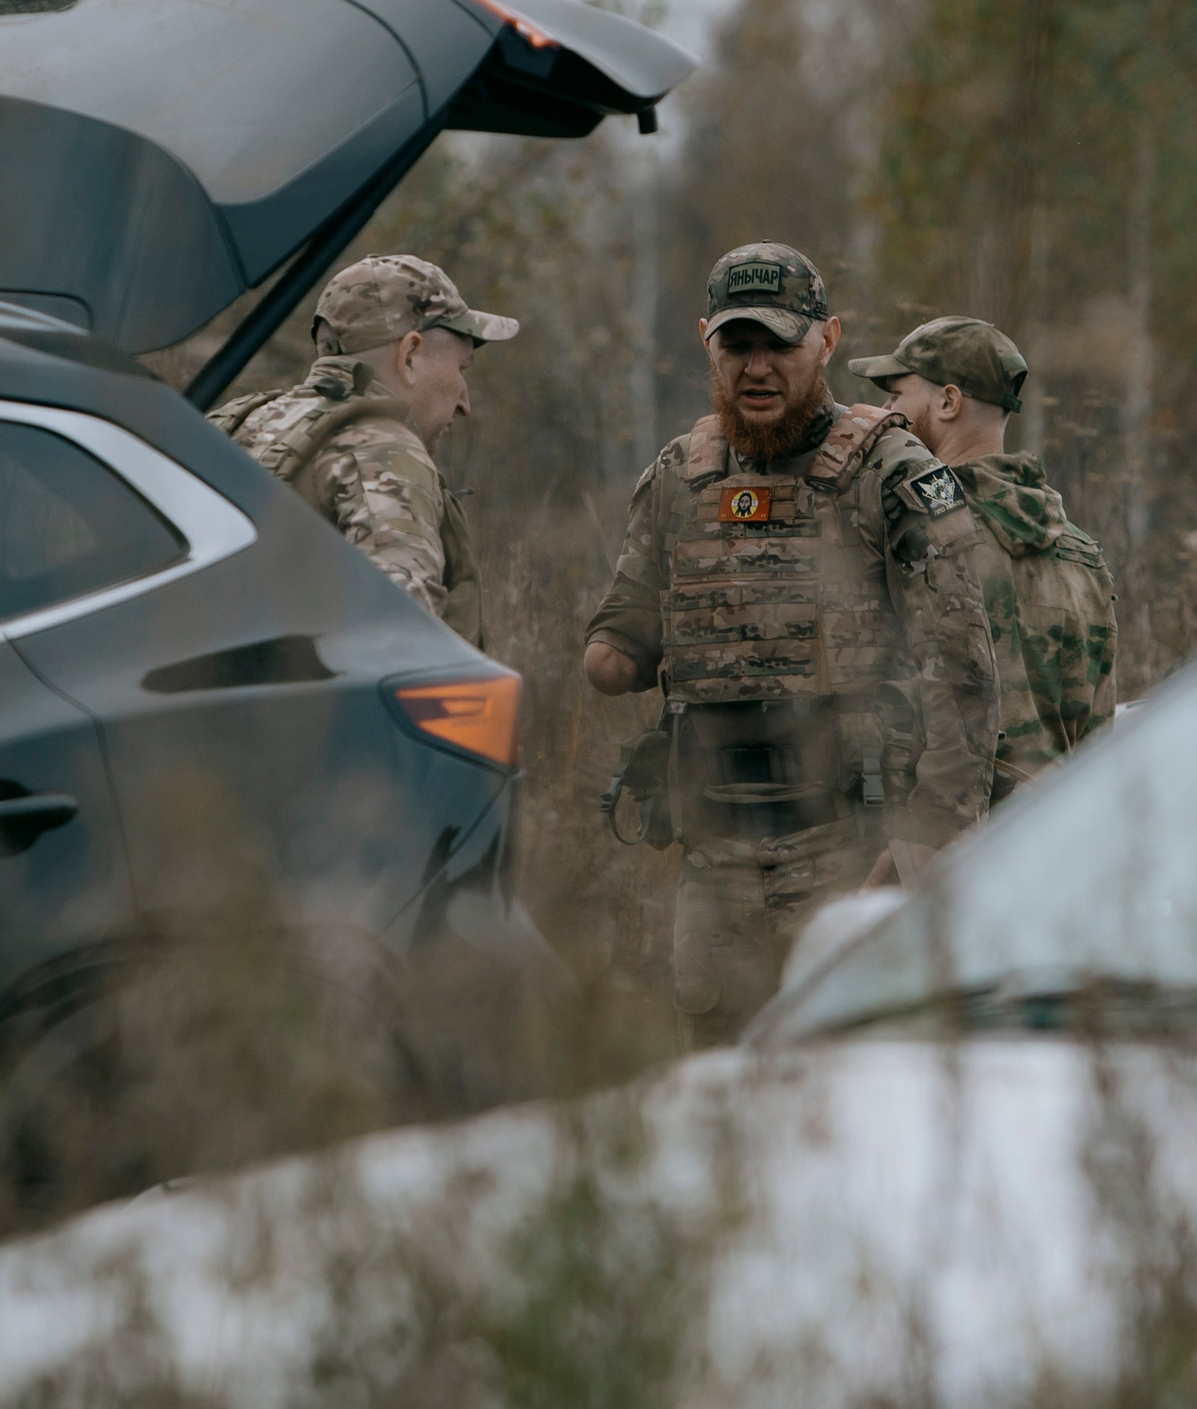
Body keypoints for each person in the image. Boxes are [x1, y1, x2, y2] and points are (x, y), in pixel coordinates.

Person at [584, 243, 999, 1046]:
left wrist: (926, 837)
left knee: (850, 1072)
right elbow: (619, 630)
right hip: (714, 860)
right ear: (706, 341)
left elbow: (963, 672)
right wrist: (621, 651)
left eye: (779, 344)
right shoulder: (679, 477)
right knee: (721, 1080)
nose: (757, 368)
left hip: (851, 850)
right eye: (737, 345)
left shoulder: (891, 473)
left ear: (828, 339)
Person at [850, 316, 1117, 801]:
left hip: (947, 833)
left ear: (948, 402)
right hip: (1053, 829)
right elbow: (1098, 744)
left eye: (896, 395)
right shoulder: (1083, 555)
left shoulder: (919, 538)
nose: (885, 412)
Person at [211, 254, 514, 648]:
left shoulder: (238, 422)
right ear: (409, 356)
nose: (464, 403)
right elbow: (400, 635)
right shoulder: (384, 453)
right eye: (462, 368)